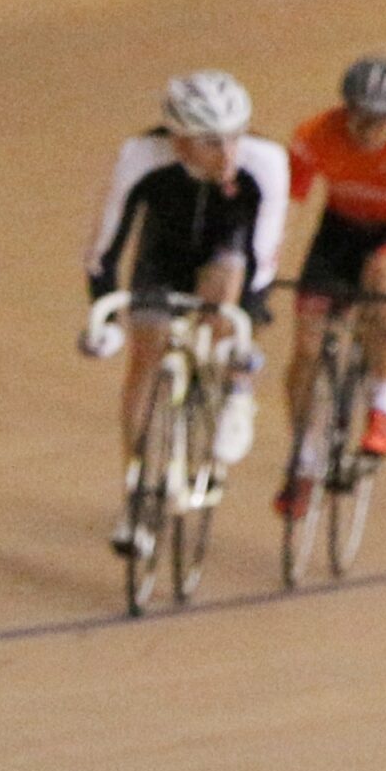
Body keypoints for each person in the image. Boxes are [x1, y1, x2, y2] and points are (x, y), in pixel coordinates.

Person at [80, 70, 286, 554]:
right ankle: (140, 493)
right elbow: (106, 246)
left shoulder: (264, 162)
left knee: (224, 293)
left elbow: (264, 253)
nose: (229, 153)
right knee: (144, 359)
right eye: (212, 142)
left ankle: (235, 388)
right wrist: (105, 316)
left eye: (236, 136)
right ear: (178, 139)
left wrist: (245, 327)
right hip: (163, 257)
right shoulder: (141, 157)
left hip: (228, 252)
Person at [277, 55, 386, 516]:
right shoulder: (314, 135)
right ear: (344, 108)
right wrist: (265, 272)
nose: (369, 130)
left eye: (382, 121)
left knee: (382, 281)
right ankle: (304, 460)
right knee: (307, 346)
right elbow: (286, 210)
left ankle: (384, 406)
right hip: (340, 229)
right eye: (361, 117)